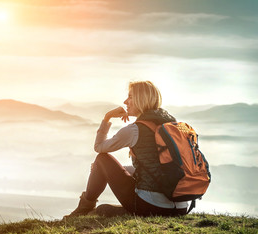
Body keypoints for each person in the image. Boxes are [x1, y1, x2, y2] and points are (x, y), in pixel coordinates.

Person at [65, 81, 188, 218]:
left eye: (130, 97)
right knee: (104, 204)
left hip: (152, 206)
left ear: (141, 99)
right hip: (181, 207)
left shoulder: (135, 130)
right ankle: (122, 210)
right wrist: (113, 170)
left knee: (102, 159)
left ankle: (83, 209)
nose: (125, 101)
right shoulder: (172, 126)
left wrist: (108, 117)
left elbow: (99, 147)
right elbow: (154, 167)